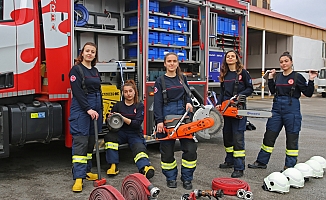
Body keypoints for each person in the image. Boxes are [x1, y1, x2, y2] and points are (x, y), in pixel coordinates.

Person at [248, 51, 318, 171]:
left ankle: (289, 166)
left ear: (291, 62)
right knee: (269, 136)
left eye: (286, 61)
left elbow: (308, 93)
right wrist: (270, 78)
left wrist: (311, 80)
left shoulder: (297, 77)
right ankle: (261, 162)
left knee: (292, 138)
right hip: (276, 109)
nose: (283, 64)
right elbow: (273, 91)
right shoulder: (279, 76)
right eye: (281, 62)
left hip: (292, 110)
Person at [153, 52, 196, 190]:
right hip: (166, 116)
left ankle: (187, 178)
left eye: (174, 61)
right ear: (165, 64)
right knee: (167, 151)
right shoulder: (160, 81)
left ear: (177, 63)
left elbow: (188, 95)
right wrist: (159, 121)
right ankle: (171, 178)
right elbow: (158, 102)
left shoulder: (182, 78)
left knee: (190, 149)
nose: (172, 63)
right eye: (169, 61)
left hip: (184, 116)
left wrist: (189, 103)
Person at [69, 42, 103, 192]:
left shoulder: (95, 70)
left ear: (95, 55)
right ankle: (78, 178)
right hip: (82, 109)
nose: (90, 53)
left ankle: (87, 172)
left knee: (90, 142)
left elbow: (99, 91)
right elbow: (77, 93)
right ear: (82, 53)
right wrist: (88, 109)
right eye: (87, 51)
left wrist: (100, 110)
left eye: (93, 52)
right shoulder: (76, 70)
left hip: (95, 108)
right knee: (81, 142)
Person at [104, 79, 155, 179]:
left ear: (135, 92)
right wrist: (109, 118)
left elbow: (136, 124)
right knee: (109, 137)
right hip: (121, 132)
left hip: (134, 133)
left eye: (130, 91)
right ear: (123, 93)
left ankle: (145, 168)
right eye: (126, 92)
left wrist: (122, 118)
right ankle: (113, 165)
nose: (128, 94)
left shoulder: (139, 106)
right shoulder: (118, 105)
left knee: (139, 147)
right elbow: (109, 122)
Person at [216, 50, 253, 178]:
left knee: (238, 138)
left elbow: (250, 88)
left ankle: (239, 167)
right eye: (228, 57)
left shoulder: (243, 73)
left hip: (238, 109)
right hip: (226, 109)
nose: (230, 58)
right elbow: (222, 91)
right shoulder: (225, 74)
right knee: (227, 136)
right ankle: (229, 160)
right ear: (226, 60)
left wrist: (240, 96)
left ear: (237, 59)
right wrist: (219, 103)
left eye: (232, 56)